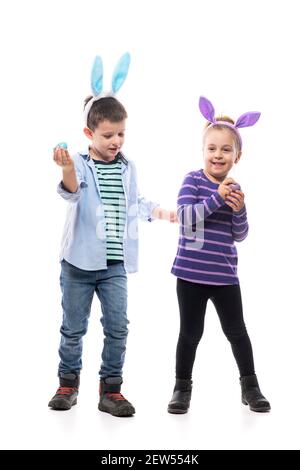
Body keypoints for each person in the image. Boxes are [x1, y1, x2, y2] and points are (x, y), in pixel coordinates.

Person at [48, 54, 176, 417]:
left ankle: (111, 389)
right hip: (78, 263)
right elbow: (72, 191)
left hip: (114, 264)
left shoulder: (128, 166)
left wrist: (164, 213)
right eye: (108, 135)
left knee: (118, 327)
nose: (116, 140)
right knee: (73, 328)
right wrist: (67, 167)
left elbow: (135, 202)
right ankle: (68, 383)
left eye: (121, 133)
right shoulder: (80, 163)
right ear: (90, 134)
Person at [168, 96, 270, 414]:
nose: (218, 155)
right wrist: (217, 198)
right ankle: (181, 388)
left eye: (226, 150)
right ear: (203, 151)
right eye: (212, 148)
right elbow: (186, 218)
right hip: (190, 276)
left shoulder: (236, 190)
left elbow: (239, 234)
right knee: (190, 334)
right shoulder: (193, 181)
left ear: (237, 156)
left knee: (237, 332)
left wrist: (239, 210)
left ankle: (250, 387)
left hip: (225, 276)